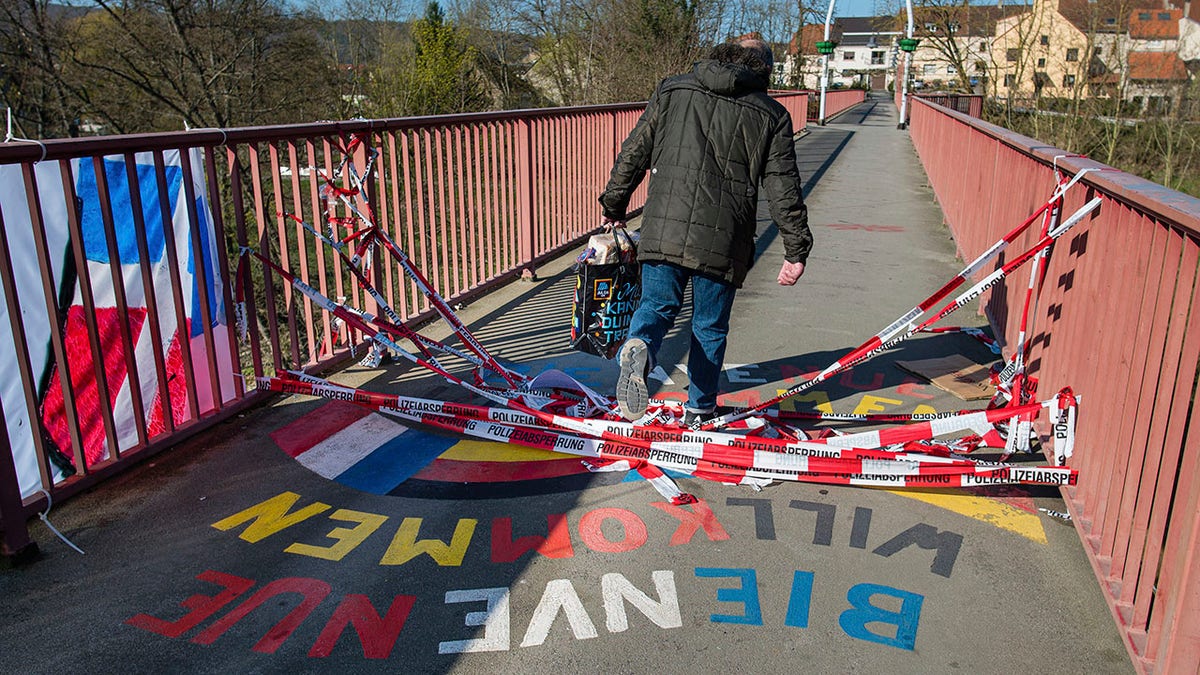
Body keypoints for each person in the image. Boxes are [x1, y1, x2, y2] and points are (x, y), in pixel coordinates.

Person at [598, 37, 813, 425]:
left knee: (656, 307)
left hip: (664, 225)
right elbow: (784, 187)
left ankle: (640, 347)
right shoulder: (771, 114)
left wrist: (615, 204)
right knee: (709, 327)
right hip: (724, 238)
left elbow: (635, 150)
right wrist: (796, 249)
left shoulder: (673, 88)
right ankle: (700, 407)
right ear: (764, 71)